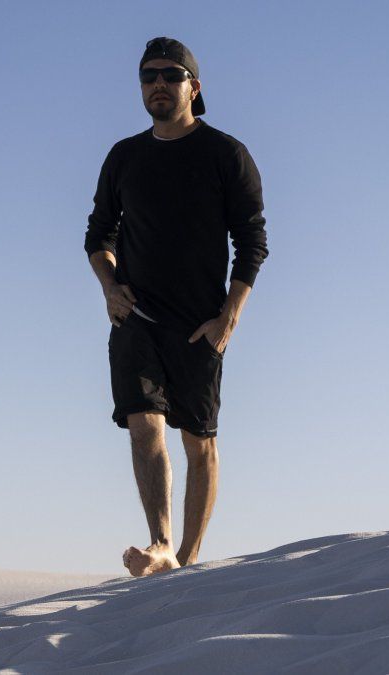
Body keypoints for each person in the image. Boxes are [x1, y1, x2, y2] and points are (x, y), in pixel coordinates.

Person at [84, 37, 269, 577]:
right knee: (145, 424)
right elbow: (98, 234)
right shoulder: (124, 156)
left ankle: (186, 561)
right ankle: (161, 542)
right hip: (136, 318)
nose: (158, 84)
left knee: (199, 442)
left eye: (170, 74)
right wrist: (109, 286)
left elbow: (253, 241)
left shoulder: (225, 154)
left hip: (199, 325)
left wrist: (228, 317)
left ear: (194, 85)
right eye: (148, 76)